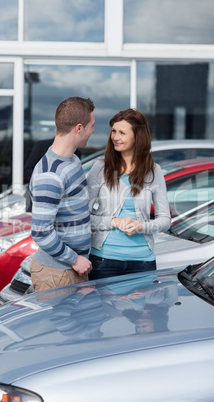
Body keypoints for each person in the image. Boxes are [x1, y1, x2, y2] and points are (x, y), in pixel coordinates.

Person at [87, 108, 171, 280]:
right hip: (104, 261)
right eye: (113, 131)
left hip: (142, 263)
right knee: (101, 308)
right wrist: (113, 222)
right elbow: (84, 216)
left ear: (137, 136)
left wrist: (142, 227)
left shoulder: (154, 171)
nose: (115, 137)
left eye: (122, 133)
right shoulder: (100, 169)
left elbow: (165, 220)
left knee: (140, 308)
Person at [29, 96, 95, 292]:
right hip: (57, 273)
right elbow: (41, 232)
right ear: (79, 128)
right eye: (92, 125)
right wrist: (74, 260)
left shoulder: (72, 160)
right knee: (60, 325)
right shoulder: (50, 174)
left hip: (75, 268)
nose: (93, 131)